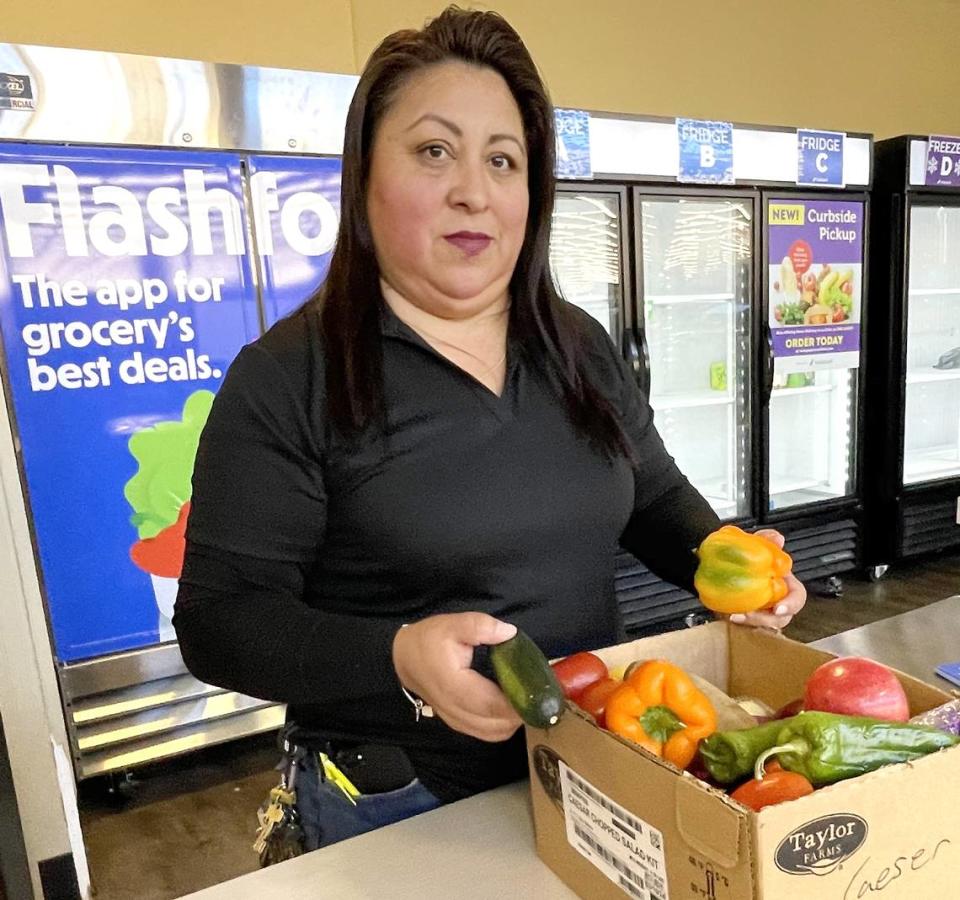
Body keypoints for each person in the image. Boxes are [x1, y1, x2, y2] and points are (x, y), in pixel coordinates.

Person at [174, 5, 806, 853]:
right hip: (397, 799)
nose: (474, 189)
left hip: (598, 756)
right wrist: (397, 655)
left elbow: (650, 493)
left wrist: (730, 564)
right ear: (365, 176)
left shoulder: (574, 341)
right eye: (434, 151)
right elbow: (221, 621)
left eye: (502, 160)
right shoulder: (290, 377)